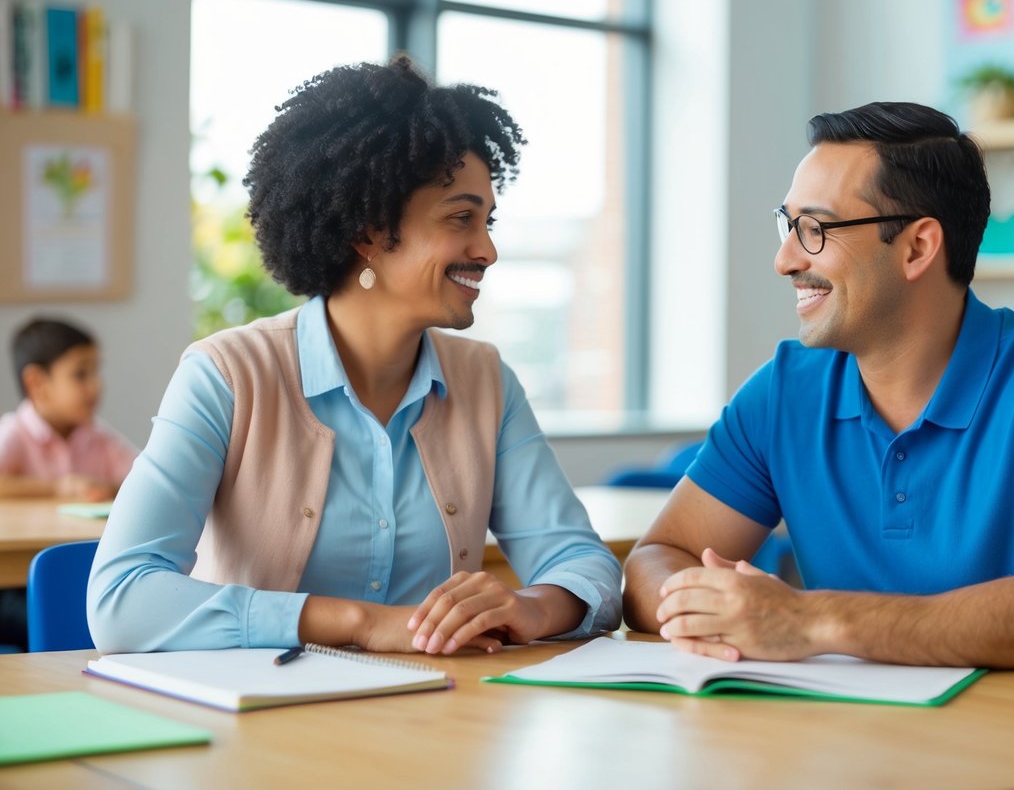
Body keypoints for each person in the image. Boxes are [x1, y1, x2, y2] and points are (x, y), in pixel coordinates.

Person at [87, 54, 622, 656]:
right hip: (260, 728)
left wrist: (530, 605)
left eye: (488, 220)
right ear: (369, 233)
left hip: (438, 720)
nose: (488, 249)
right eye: (461, 219)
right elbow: (121, 599)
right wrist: (360, 623)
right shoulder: (227, 376)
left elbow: (584, 563)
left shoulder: (486, 381)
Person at [623, 102, 1014, 677]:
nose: (785, 259)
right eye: (788, 223)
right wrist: (716, 610)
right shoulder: (783, 391)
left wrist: (809, 621)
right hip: (855, 745)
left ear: (918, 247)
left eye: (816, 229)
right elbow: (654, 559)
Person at [0, 317, 137, 501]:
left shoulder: (98, 436)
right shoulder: (13, 432)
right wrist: (56, 489)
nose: (96, 385)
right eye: (80, 375)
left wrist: (109, 489)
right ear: (37, 383)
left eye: (96, 371)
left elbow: (144, 479)